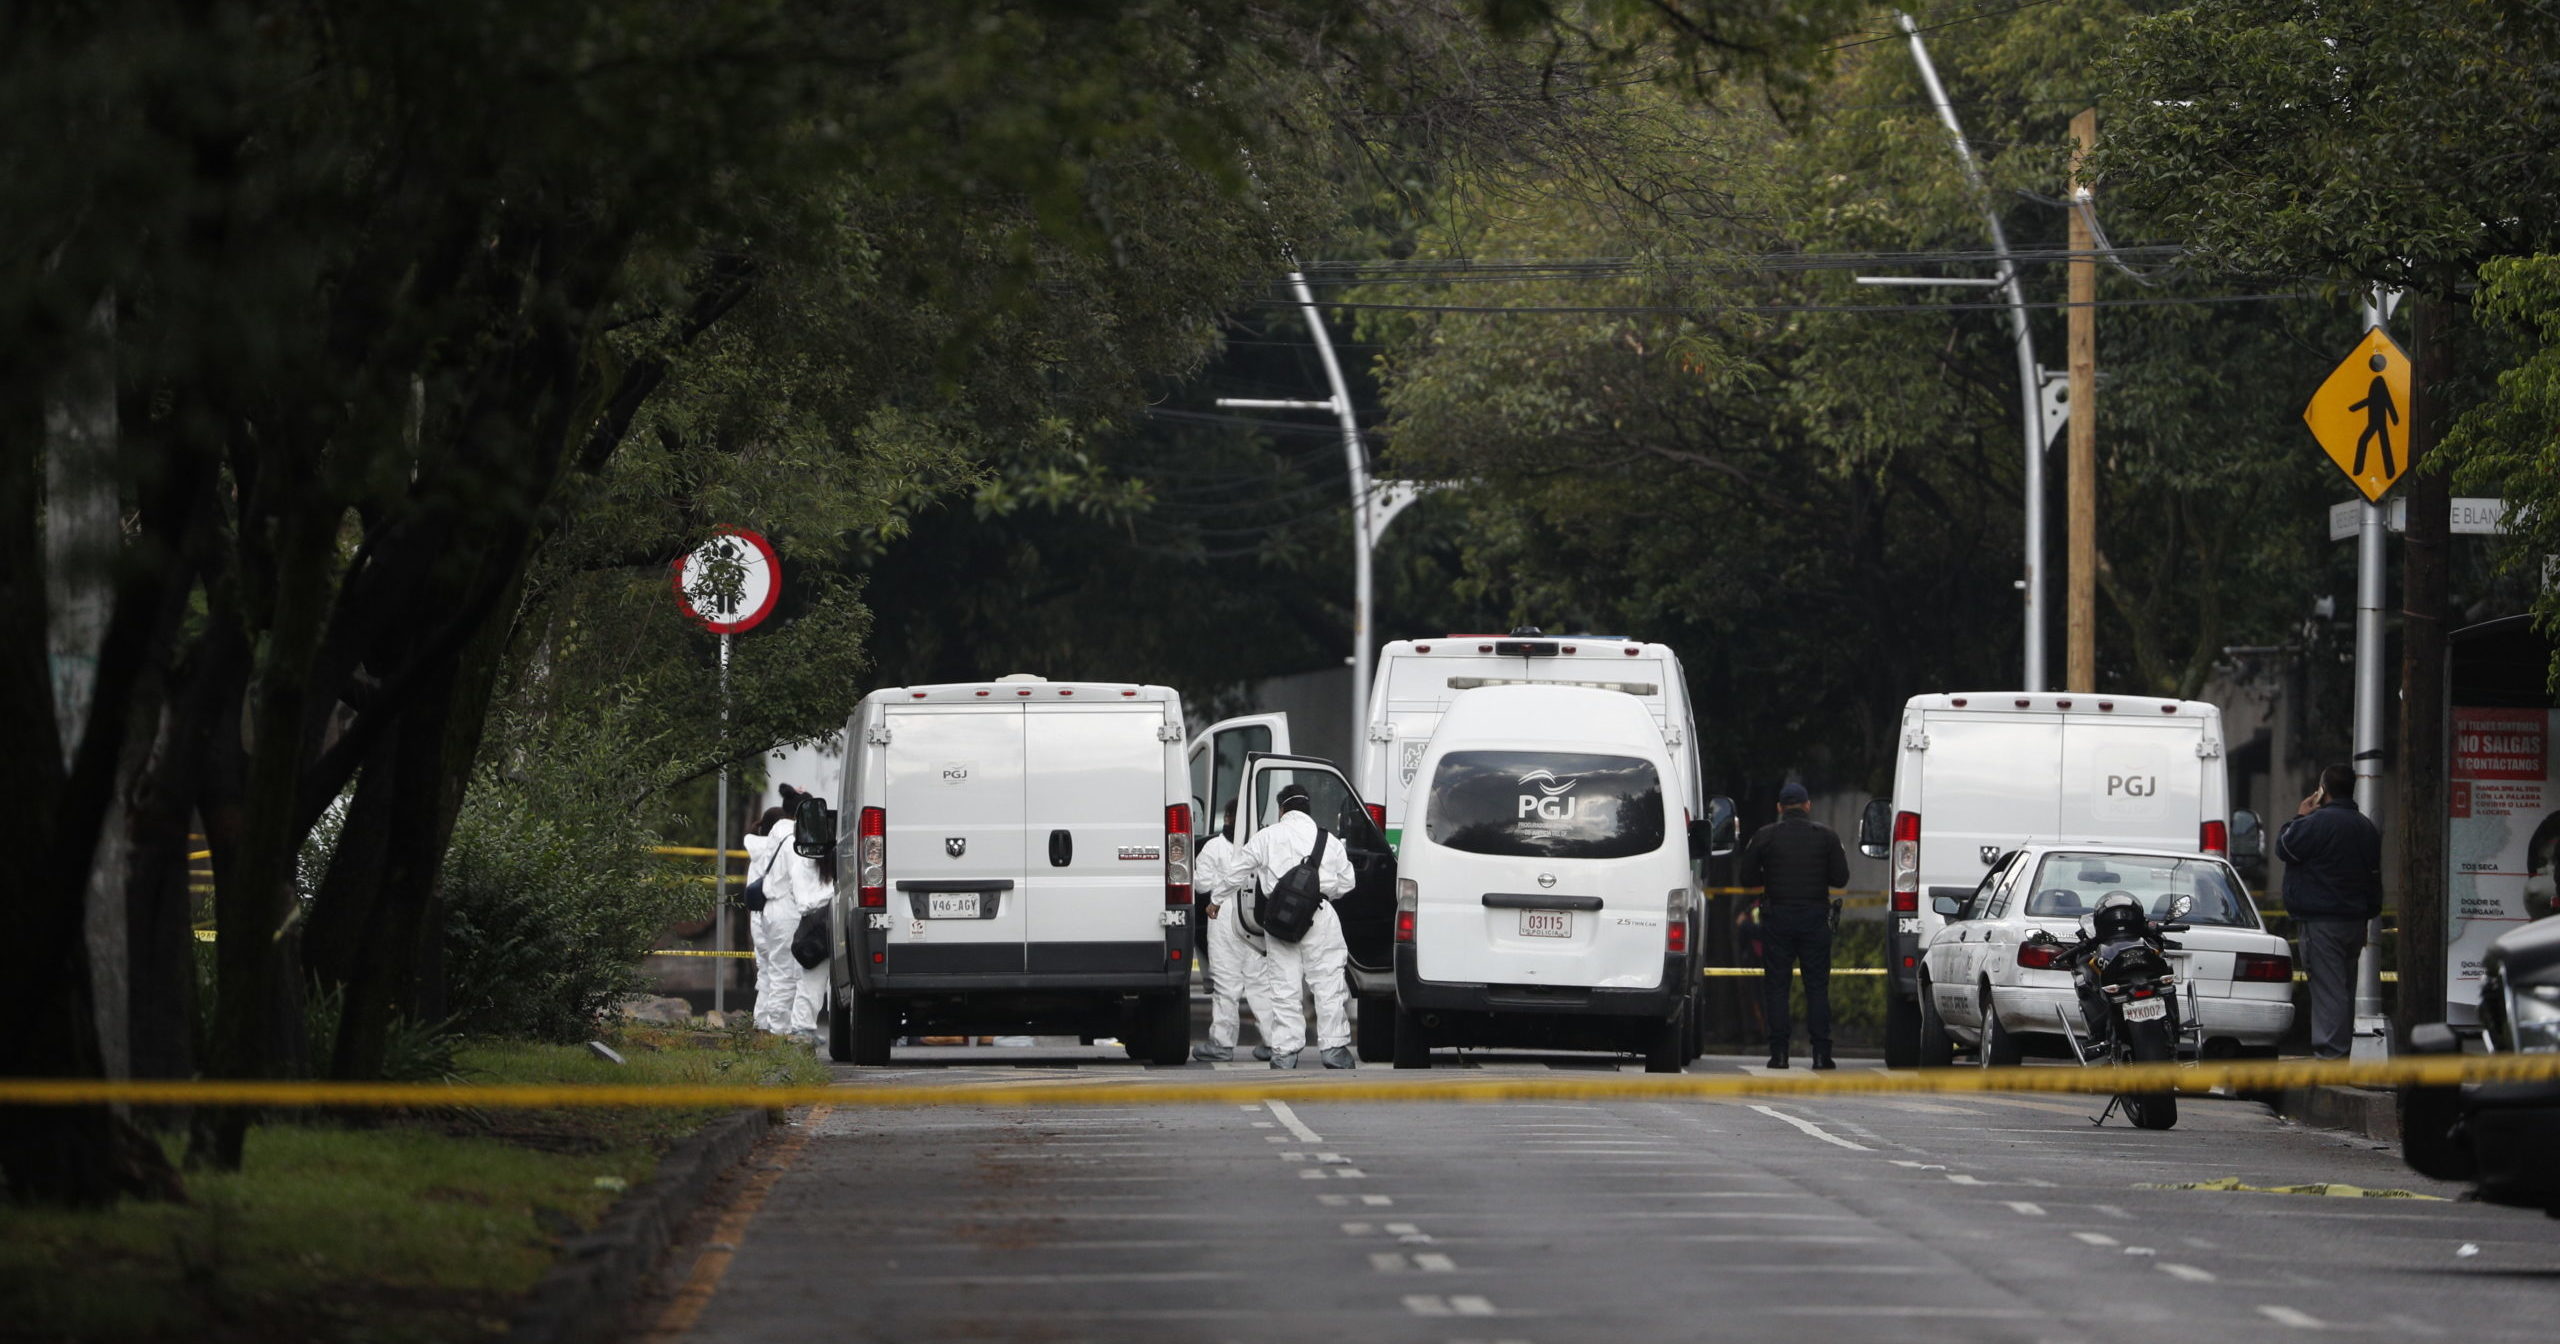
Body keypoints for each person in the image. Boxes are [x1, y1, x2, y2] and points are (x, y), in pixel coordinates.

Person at [1239, 781, 1357, 1069]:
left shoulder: (1267, 836)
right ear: (1307, 808)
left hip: (1280, 922)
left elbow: (1238, 869)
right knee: (1327, 982)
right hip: (1320, 915)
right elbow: (1348, 882)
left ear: (1282, 809)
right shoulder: (1327, 840)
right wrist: (1322, 891)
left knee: (1284, 986)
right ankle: (1334, 1049)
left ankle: (1285, 1052)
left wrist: (1216, 901)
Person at [1737, 782, 1850, 1070]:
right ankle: (1822, 1055)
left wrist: (1770, 872)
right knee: (1817, 987)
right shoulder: (1826, 837)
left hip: (1777, 919)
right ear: (1808, 806)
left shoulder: (1765, 836)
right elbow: (1840, 878)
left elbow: (1747, 877)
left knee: (1776, 987)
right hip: (1815, 917)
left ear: (1779, 808)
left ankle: (1779, 1054)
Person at [2277, 763, 2384, 1059]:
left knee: (2328, 989)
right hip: (2354, 921)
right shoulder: (2365, 827)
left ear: (2323, 790)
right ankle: (2341, 1052)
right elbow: (2374, 878)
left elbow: (2284, 847)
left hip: (2322, 921)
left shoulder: (2316, 823)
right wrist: (2368, 916)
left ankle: (2331, 1056)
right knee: (2344, 988)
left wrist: (2299, 816)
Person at [1192, 801, 1281, 1062]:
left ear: (1227, 818)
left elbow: (1200, 885)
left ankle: (1222, 1043)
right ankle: (1274, 1042)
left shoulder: (1213, 847)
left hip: (1221, 916)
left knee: (1225, 984)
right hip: (1253, 918)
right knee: (1259, 984)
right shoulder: (1260, 844)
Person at [743, 806, 795, 1035]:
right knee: (782, 975)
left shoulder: (757, 851)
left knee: (766, 974)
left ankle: (761, 1023)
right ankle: (778, 1028)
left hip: (759, 920)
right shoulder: (783, 848)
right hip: (779, 914)